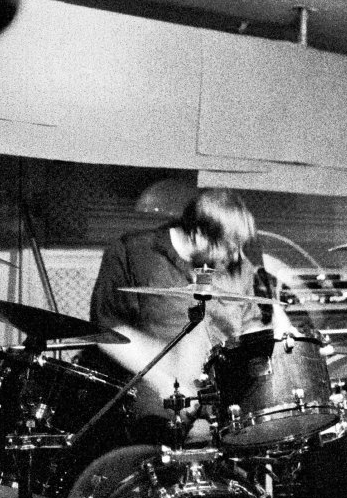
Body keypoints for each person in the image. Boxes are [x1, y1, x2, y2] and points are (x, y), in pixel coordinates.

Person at [86, 188, 292, 444]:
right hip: (154, 399)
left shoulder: (236, 266)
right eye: (228, 247)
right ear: (198, 234)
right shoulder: (132, 252)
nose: (235, 255)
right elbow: (108, 331)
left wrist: (281, 338)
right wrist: (164, 383)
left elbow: (251, 325)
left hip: (222, 403)